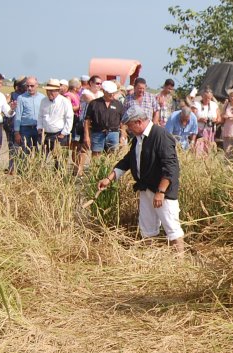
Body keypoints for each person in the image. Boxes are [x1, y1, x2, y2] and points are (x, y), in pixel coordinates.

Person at [96, 105, 184, 252]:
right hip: (146, 188)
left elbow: (170, 167)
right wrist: (109, 178)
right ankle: (151, 260)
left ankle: (181, 263)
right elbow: (128, 160)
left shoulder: (160, 136)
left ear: (138, 122)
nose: (129, 130)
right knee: (148, 229)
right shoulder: (138, 138)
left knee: (172, 228)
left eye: (130, 125)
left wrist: (161, 191)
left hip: (163, 192)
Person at [83, 81, 125, 156]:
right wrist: (86, 136)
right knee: (96, 157)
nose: (112, 94)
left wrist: (122, 135)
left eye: (113, 92)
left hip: (114, 133)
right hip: (97, 133)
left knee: (112, 157)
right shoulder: (94, 103)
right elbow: (87, 120)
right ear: (104, 91)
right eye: (109, 93)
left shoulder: (118, 104)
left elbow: (122, 121)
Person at [37, 78, 74, 160]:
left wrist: (64, 133)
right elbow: (40, 115)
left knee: (59, 160)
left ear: (57, 91)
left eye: (52, 91)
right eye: (48, 91)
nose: (49, 93)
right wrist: (39, 128)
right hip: (45, 134)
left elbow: (69, 118)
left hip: (59, 134)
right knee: (42, 158)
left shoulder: (65, 101)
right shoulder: (43, 101)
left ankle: (58, 173)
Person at [14, 76, 44, 154]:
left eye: (32, 86)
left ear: (37, 85)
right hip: (25, 129)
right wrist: (17, 132)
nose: (30, 88)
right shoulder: (21, 98)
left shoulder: (42, 98)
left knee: (38, 152)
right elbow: (18, 115)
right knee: (25, 152)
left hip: (38, 128)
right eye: (27, 86)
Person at [193, 88, 219, 154]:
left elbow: (219, 118)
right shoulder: (196, 104)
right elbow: (191, 118)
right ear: (202, 96)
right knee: (199, 150)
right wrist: (199, 119)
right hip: (199, 131)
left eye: (209, 98)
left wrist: (215, 120)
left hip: (210, 131)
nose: (207, 100)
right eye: (205, 98)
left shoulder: (214, 105)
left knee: (208, 150)